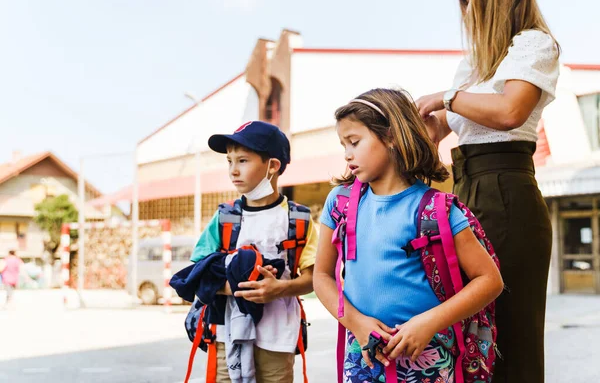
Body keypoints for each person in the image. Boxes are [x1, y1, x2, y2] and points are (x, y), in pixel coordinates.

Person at [415, 0, 560, 381]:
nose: (467, 4)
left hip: (507, 192)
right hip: (465, 191)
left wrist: (447, 98)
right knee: (467, 333)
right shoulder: (474, 64)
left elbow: (511, 111)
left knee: (510, 337)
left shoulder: (534, 44)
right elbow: (436, 130)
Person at [314, 88, 504, 382]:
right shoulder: (340, 203)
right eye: (343, 144)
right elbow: (322, 277)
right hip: (363, 351)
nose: (347, 154)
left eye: (354, 141)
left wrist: (428, 323)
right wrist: (358, 323)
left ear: (391, 136)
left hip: (429, 356)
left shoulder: (438, 210)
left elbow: (490, 281)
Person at [190, 121, 318, 383]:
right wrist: (235, 286)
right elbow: (197, 272)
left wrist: (277, 290)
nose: (233, 170)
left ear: (272, 165)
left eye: (243, 161)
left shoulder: (299, 219)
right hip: (226, 334)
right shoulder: (225, 217)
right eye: (229, 161)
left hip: (278, 336)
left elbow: (314, 278)